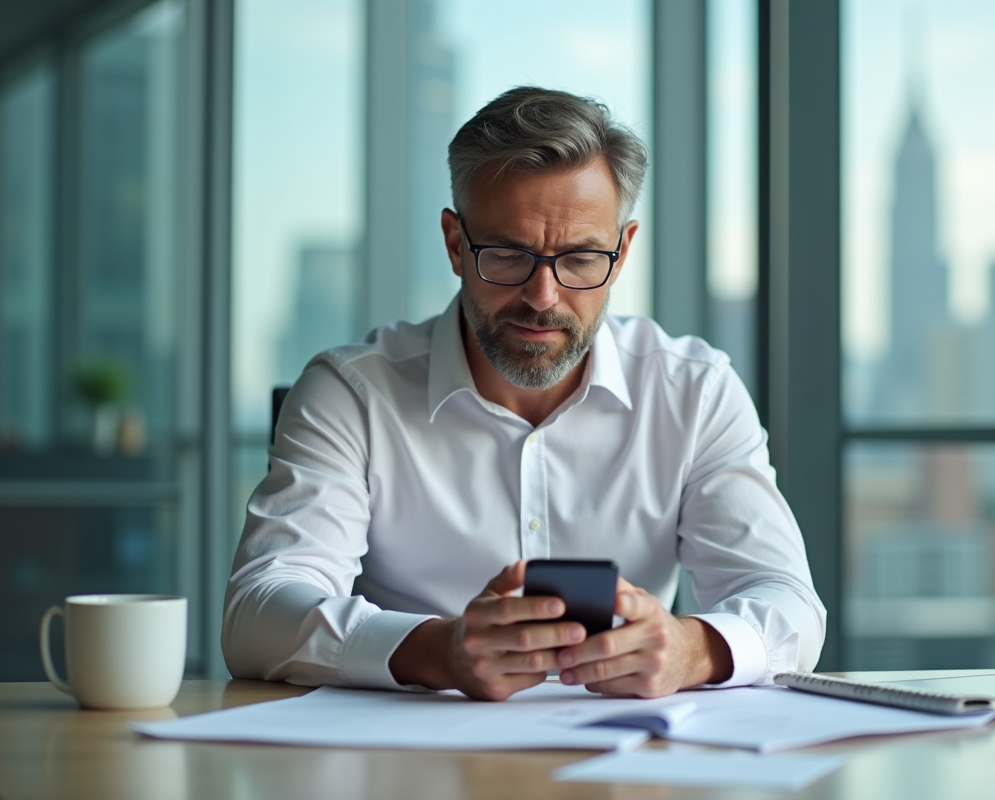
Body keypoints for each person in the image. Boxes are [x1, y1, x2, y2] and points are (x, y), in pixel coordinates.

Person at [222, 87, 825, 701]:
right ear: (456, 244)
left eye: (582, 258)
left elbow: (788, 603)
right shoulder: (351, 393)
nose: (543, 296)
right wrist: (438, 651)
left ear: (620, 256)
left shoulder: (694, 391)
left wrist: (690, 649)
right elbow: (258, 611)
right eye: (509, 255)